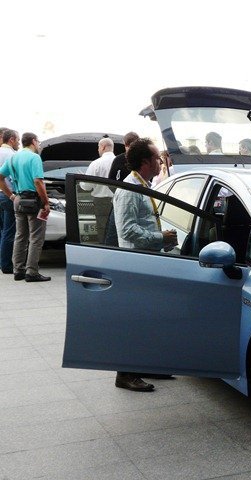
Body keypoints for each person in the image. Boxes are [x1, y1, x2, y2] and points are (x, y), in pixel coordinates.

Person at [112, 138, 177, 391]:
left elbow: (143, 224)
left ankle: (144, 365)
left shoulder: (143, 186)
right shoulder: (130, 189)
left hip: (147, 261)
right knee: (135, 320)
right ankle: (125, 374)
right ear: (145, 162)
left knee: (148, 318)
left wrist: (164, 240)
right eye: (157, 158)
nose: (160, 162)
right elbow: (127, 230)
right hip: (135, 264)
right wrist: (160, 238)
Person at [0, 132, 51, 282]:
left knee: (20, 236)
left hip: (18, 199)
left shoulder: (13, 158)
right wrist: (46, 202)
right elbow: (38, 182)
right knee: (36, 237)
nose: (39, 144)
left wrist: (11, 195)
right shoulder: (34, 158)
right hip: (33, 200)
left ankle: (18, 270)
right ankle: (32, 272)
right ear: (33, 141)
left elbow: (0, 177)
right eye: (38, 142)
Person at [81, 137, 115, 244]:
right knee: (117, 229)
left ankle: (105, 250)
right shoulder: (120, 162)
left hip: (101, 203)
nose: (98, 150)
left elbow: (86, 186)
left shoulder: (96, 164)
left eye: (98, 147)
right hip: (118, 200)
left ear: (103, 147)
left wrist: (81, 180)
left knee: (103, 230)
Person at [0, 129, 20, 274]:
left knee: (2, 230)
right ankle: (6, 265)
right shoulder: (12, 155)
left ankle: (1, 261)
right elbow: (14, 178)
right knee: (9, 231)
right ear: (11, 139)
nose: (19, 143)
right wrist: (12, 196)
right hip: (7, 195)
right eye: (18, 139)